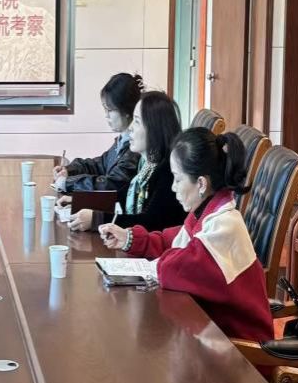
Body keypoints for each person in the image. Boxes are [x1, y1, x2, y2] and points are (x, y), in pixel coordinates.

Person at [99, 128, 272, 344]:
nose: (173, 188)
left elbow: (176, 268)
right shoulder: (207, 210)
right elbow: (171, 242)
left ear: (201, 183)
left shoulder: (225, 226)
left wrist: (155, 261)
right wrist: (129, 238)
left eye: (178, 179)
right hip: (212, 334)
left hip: (240, 351)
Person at [63, 91, 186, 233]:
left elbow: (150, 223)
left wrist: (97, 219)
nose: (130, 127)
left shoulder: (168, 171)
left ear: (154, 128)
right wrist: (82, 201)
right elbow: (122, 196)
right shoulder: (146, 164)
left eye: (137, 121)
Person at [53, 72, 142, 195]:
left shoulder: (135, 148)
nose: (106, 115)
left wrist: (68, 183)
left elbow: (112, 185)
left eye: (109, 110)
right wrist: (70, 170)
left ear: (126, 110)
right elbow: (100, 164)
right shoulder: (123, 140)